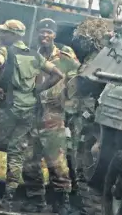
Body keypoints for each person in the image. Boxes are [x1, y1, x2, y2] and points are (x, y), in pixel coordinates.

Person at [0, 19, 66, 213]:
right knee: (17, 152)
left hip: (7, 108)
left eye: (5, 32)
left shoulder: (5, 51)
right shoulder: (34, 56)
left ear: (13, 35)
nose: (2, 35)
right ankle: (8, 197)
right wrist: (38, 90)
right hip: (27, 108)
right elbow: (58, 74)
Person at [34, 18, 81, 214]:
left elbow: (77, 81)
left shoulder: (65, 57)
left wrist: (69, 105)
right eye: (42, 31)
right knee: (30, 159)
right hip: (31, 111)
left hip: (54, 113)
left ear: (54, 35)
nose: (45, 35)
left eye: (49, 32)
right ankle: (34, 199)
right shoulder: (31, 55)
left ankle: (61, 202)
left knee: (56, 160)